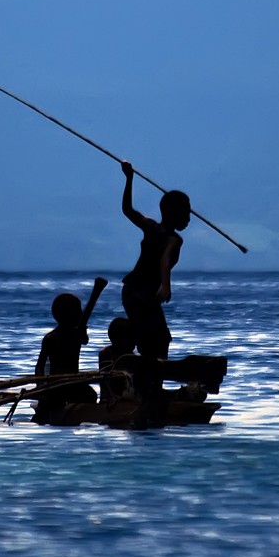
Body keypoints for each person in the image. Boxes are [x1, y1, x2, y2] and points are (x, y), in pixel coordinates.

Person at [119, 160, 191, 418]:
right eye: (186, 213)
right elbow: (165, 260)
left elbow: (127, 209)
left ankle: (144, 387)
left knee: (151, 340)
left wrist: (129, 179)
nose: (189, 218)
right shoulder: (174, 239)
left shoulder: (150, 227)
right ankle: (149, 390)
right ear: (176, 215)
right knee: (158, 341)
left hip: (131, 293)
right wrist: (166, 285)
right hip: (143, 296)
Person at [34, 277, 107, 417]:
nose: (80, 314)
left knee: (90, 395)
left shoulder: (76, 334)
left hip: (73, 383)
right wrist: (40, 387)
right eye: (76, 311)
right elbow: (40, 366)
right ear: (66, 315)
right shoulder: (51, 338)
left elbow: (84, 339)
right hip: (56, 385)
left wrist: (81, 330)